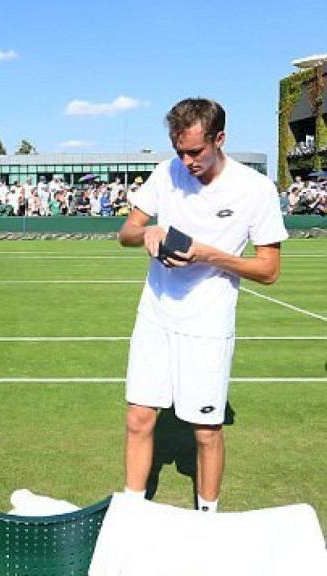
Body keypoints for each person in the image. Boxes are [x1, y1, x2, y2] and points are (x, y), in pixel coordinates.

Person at [118, 98, 287, 512]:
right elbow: (126, 233)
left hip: (208, 323)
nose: (186, 161)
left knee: (206, 431)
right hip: (155, 313)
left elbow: (269, 270)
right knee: (138, 418)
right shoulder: (166, 172)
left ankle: (207, 519)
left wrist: (207, 254)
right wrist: (149, 233)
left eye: (195, 151)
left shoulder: (255, 189)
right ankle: (132, 512)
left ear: (219, 138)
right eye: (179, 151)